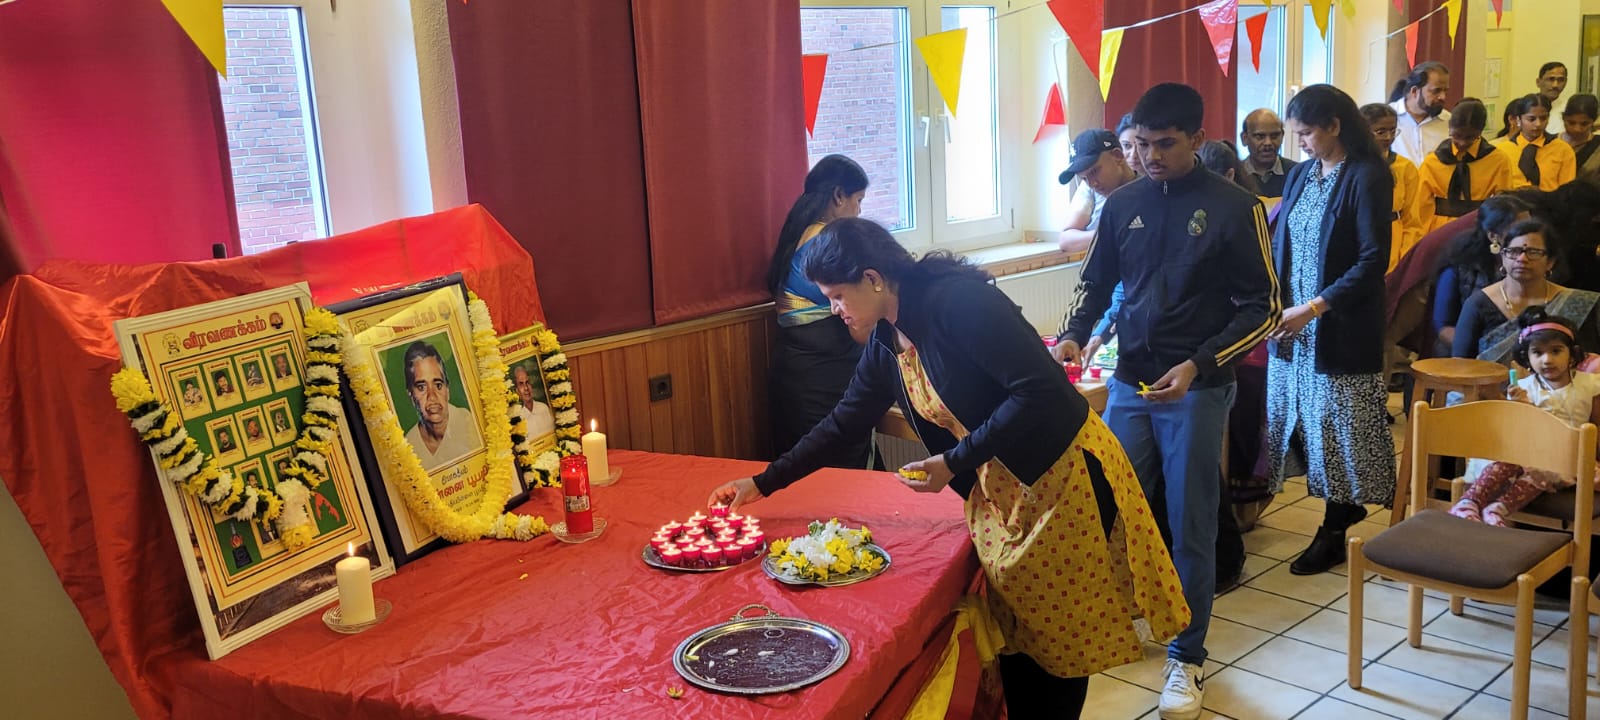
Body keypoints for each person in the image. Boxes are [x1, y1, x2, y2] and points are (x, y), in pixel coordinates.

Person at [708, 218, 1188, 720]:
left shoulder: (959, 303)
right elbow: (844, 421)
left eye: (837, 296)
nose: (834, 310)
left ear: (873, 278)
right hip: (1002, 485)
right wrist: (763, 482)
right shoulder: (886, 339)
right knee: (1017, 635)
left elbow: (1040, 391)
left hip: (1061, 474)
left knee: (1061, 646)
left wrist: (954, 461)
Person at [1058, 83, 1279, 720]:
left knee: (1190, 526)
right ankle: (1113, 620)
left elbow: (1263, 309)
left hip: (1197, 389)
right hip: (1129, 384)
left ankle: (1187, 656)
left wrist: (1200, 364)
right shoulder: (1122, 203)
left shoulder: (1236, 207)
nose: (1150, 156)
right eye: (1141, 145)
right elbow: (1096, 282)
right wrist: (1074, 333)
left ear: (1196, 139)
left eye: (1164, 144)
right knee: (1110, 507)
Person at [1262, 85, 1397, 575]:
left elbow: (1372, 260)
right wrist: (1277, 306)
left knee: (1337, 429)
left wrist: (1315, 307)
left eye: (1305, 133)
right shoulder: (1301, 173)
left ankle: (1336, 524)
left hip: (1337, 322)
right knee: (1297, 423)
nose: (1298, 143)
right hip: (1294, 326)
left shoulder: (1366, 176)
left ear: (1335, 126)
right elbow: (1283, 245)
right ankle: (1342, 507)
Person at [766, 154, 872, 468]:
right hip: (821, 380)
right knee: (836, 477)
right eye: (858, 200)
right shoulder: (825, 244)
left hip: (799, 376)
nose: (859, 211)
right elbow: (862, 309)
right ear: (839, 196)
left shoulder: (799, 235)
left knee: (812, 474)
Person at [1450, 307, 1599, 525]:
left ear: (1572, 353)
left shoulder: (1589, 384)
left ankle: (1498, 509)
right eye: (1537, 353)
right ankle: (1468, 502)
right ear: (1526, 357)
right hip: (1528, 450)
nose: (1547, 359)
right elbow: (1516, 431)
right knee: (1508, 460)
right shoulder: (1524, 388)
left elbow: (1597, 425)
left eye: (1556, 351)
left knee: (1543, 472)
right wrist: (1521, 406)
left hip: (1566, 457)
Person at [1452, 218, 1600, 365]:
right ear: (1503, 257)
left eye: (1533, 252)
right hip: (1491, 381)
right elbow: (1459, 365)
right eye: (1514, 251)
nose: (1522, 258)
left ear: (1550, 262)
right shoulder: (1478, 304)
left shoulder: (1578, 303)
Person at [1432, 195, 1532, 356]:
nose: (1528, 236)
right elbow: (1444, 327)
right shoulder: (1459, 268)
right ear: (1493, 236)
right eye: (1519, 230)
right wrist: (1488, 354)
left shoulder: (1535, 263)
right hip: (1470, 357)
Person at [1417, 100, 1519, 233]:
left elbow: (1503, 201)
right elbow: (1421, 205)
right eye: (1457, 135)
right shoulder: (1433, 160)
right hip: (1439, 228)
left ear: (1480, 131)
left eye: (1470, 137)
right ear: (1449, 128)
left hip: (1480, 226)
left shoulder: (1497, 160)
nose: (1462, 142)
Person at [1361, 103, 1424, 272]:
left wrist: (1404, 256)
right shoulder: (1351, 166)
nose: (1388, 137)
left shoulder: (1405, 167)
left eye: (1393, 130)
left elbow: (1412, 220)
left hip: (1393, 240)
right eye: (1381, 132)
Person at [401, 340, 482, 470]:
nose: (432, 396)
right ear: (411, 395)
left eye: (438, 385)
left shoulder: (470, 423)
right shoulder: (409, 446)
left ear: (447, 390)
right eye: (421, 387)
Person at [1057, 128, 1137, 255]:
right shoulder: (1088, 189)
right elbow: (1065, 240)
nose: (1092, 183)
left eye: (1094, 171)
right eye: (1083, 178)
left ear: (1117, 156)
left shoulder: (1149, 189)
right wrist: (1108, 234)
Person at [1496, 94, 1576, 191]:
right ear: (1518, 119)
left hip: (1550, 199)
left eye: (1543, 118)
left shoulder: (1562, 149)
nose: (1538, 124)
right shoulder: (1502, 151)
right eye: (1531, 119)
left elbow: (1566, 190)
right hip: (1512, 199)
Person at [1389, 61, 1454, 166]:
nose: (1443, 97)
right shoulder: (1387, 118)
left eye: (1445, 91)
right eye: (1436, 91)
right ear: (1414, 91)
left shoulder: (1449, 122)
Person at [1239, 108, 1297, 198]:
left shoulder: (1297, 173)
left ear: (1282, 136)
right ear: (1244, 138)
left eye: (1274, 136)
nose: (1268, 143)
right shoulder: (1234, 175)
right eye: (1260, 136)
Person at [511, 364, 557, 443]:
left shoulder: (544, 408)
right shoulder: (517, 417)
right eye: (521, 384)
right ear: (517, 390)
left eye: (527, 382)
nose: (526, 388)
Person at [1561, 94, 1600, 181]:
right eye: (1571, 123)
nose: (1577, 129)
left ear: (1593, 121)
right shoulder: (1549, 142)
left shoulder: (1597, 147)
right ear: (1563, 118)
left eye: (1584, 124)